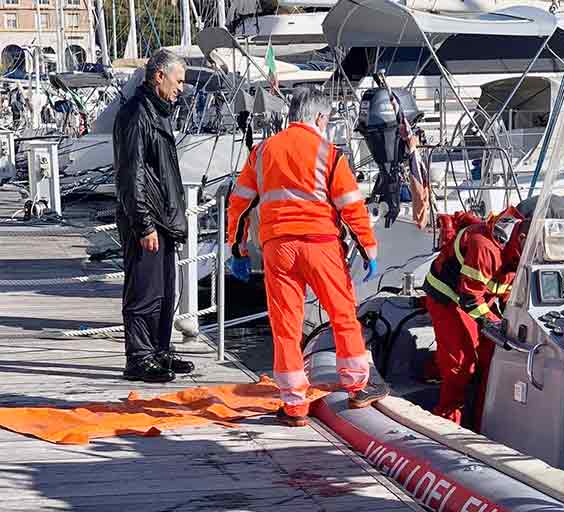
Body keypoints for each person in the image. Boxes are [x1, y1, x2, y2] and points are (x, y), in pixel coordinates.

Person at [227, 86, 389, 427]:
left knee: (286, 326)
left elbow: (239, 204)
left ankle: (294, 405)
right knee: (342, 314)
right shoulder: (329, 154)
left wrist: (238, 248)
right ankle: (359, 386)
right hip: (320, 245)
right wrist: (368, 248)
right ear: (319, 117)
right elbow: (351, 207)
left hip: (277, 248)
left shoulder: (262, 152)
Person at [113, 49, 194, 383]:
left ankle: (159, 350)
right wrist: (143, 223)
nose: (181, 88)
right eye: (178, 80)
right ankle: (139, 357)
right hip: (146, 221)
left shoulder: (158, 112)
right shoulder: (136, 114)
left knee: (164, 292)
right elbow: (131, 175)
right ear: (159, 75)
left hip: (162, 219)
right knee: (144, 292)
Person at [423, 207, 531, 428]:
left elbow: (506, 292)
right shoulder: (487, 248)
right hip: (448, 296)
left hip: (482, 297)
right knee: (461, 363)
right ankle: (445, 419)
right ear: (521, 239)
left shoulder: (523, 251)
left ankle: (482, 419)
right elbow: (470, 298)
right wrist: (495, 323)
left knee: (490, 358)